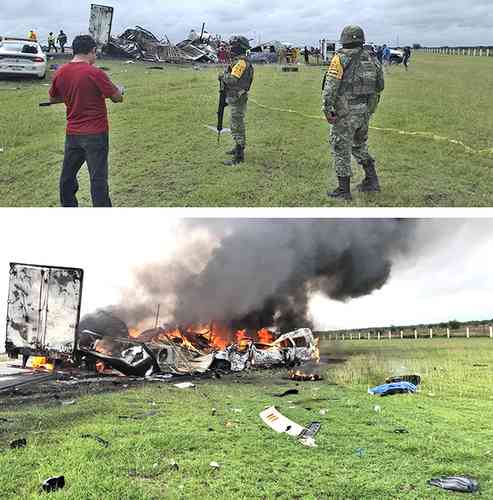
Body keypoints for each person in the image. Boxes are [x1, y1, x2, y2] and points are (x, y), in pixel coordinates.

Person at [49, 35, 124, 207]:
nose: (95, 57)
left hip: (73, 134)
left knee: (67, 177)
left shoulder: (60, 72)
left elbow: (53, 99)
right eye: (95, 53)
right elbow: (117, 97)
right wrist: (119, 90)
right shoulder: (95, 73)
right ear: (92, 51)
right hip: (96, 134)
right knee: (98, 179)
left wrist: (72, 96)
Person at [322, 25, 385, 201]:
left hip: (345, 113)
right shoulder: (372, 58)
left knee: (340, 147)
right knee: (359, 146)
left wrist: (327, 110)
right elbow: (380, 86)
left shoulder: (340, 58)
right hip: (364, 112)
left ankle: (344, 190)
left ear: (344, 39)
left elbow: (330, 88)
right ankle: (372, 181)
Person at [219, 36, 254, 166]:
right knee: (236, 122)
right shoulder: (240, 61)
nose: (231, 48)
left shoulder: (241, 63)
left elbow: (233, 79)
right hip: (236, 96)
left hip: (238, 97)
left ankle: (239, 155)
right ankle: (237, 147)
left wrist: (223, 76)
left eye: (233, 45)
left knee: (236, 124)